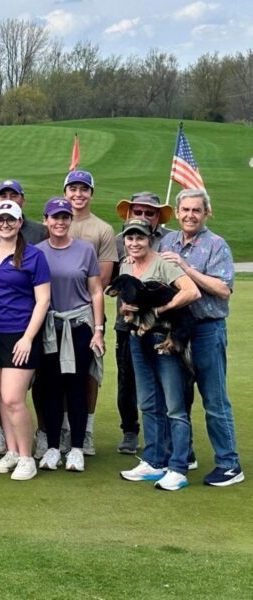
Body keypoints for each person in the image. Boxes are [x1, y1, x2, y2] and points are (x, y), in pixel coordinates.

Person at [161, 189, 244, 487]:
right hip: (176, 330)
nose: (190, 215)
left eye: (196, 210)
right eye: (185, 210)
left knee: (214, 399)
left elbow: (223, 289)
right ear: (178, 211)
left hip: (207, 329)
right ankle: (184, 455)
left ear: (206, 212)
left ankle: (229, 464)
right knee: (178, 398)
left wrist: (186, 268)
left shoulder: (216, 245)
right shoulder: (168, 241)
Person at [118, 218, 200, 491]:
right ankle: (154, 461)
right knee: (148, 403)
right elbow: (127, 304)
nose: (134, 243)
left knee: (174, 407)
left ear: (150, 239)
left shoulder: (164, 264)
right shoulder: (126, 264)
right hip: (137, 340)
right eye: (130, 238)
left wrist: (160, 311)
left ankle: (178, 466)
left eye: (140, 238)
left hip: (163, 338)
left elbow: (191, 291)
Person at [0, 178, 47, 455]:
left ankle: (26, 456)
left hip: (20, 334)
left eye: (10, 219)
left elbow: (43, 300)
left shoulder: (33, 255)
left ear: (19, 222)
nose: (5, 224)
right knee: (3, 399)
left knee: (15, 399)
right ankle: (12, 453)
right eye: (0, 220)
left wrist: (28, 338)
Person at [34, 198, 105, 473]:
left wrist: (98, 330)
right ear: (46, 221)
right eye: (55, 217)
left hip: (78, 326)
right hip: (50, 327)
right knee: (50, 386)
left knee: (76, 386)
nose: (60, 222)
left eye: (65, 217)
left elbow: (96, 291)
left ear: (70, 220)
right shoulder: (36, 252)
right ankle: (52, 447)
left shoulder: (85, 250)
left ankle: (76, 448)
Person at [113, 192, 174, 455]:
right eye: (138, 211)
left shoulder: (170, 239)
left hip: (163, 324)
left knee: (167, 382)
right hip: (128, 321)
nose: (143, 216)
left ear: (158, 217)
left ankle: (168, 439)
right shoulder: (119, 241)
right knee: (128, 379)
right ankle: (130, 430)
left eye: (149, 212)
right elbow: (111, 281)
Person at [62, 169, 117, 457]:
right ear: (65, 193)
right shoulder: (57, 222)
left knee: (88, 374)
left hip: (88, 313)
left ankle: (87, 429)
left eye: (84, 189)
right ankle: (63, 428)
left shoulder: (102, 229)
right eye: (73, 189)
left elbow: (103, 278)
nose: (78, 194)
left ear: (91, 193)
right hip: (57, 313)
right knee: (59, 373)